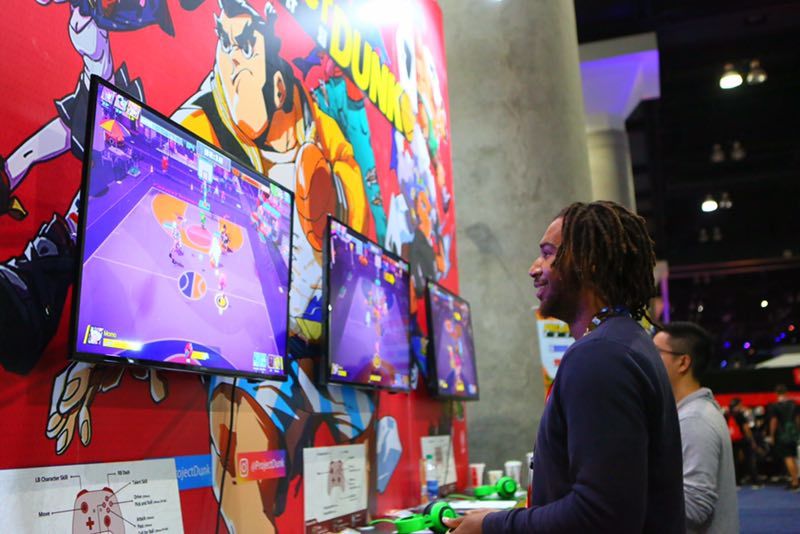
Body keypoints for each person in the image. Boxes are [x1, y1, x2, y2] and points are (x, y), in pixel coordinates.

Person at [445, 201, 684, 533]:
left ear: (588, 262)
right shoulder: (623, 341)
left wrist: (493, 526)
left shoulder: (600, 355)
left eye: (548, 254)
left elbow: (601, 515)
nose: (534, 268)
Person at [654, 322, 739, 533]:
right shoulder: (693, 413)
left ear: (683, 362)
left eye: (655, 352)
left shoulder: (695, 420)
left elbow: (695, 507)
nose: (648, 359)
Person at [769, 385, 800, 491]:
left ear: (776, 393)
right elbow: (798, 420)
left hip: (783, 435)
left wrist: (772, 435)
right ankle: (796, 480)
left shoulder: (775, 406)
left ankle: (795, 482)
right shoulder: (794, 404)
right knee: (794, 457)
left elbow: (774, 421)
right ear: (786, 392)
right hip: (793, 434)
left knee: (788, 457)